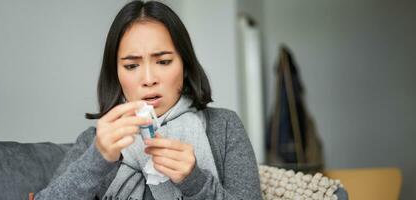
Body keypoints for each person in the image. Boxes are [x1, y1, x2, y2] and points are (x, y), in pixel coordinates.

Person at [35, 1, 262, 199]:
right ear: (116, 74)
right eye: (132, 66)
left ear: (184, 66)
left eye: (163, 62)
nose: (148, 79)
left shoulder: (223, 127)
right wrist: (97, 160)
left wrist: (195, 181)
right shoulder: (96, 142)